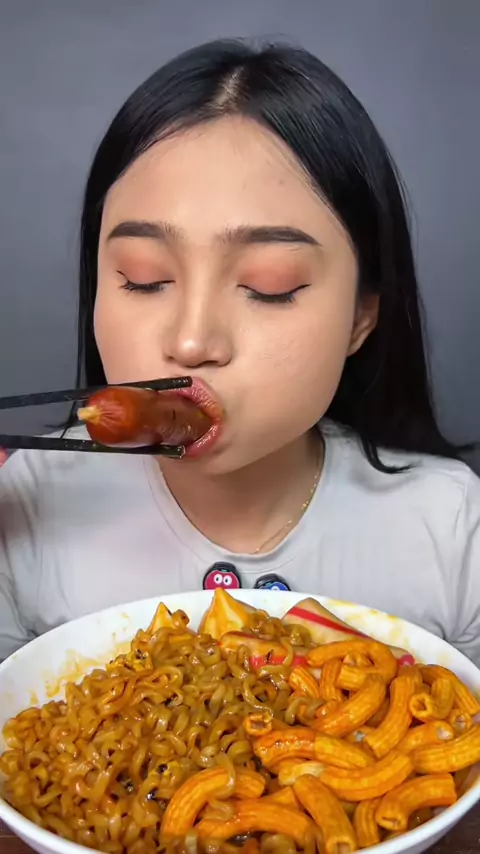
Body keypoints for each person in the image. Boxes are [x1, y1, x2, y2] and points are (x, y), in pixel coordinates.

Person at [0, 39, 479, 664]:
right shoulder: (25, 503)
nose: (191, 341)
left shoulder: (452, 527)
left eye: (268, 286)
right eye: (144, 278)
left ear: (362, 316)